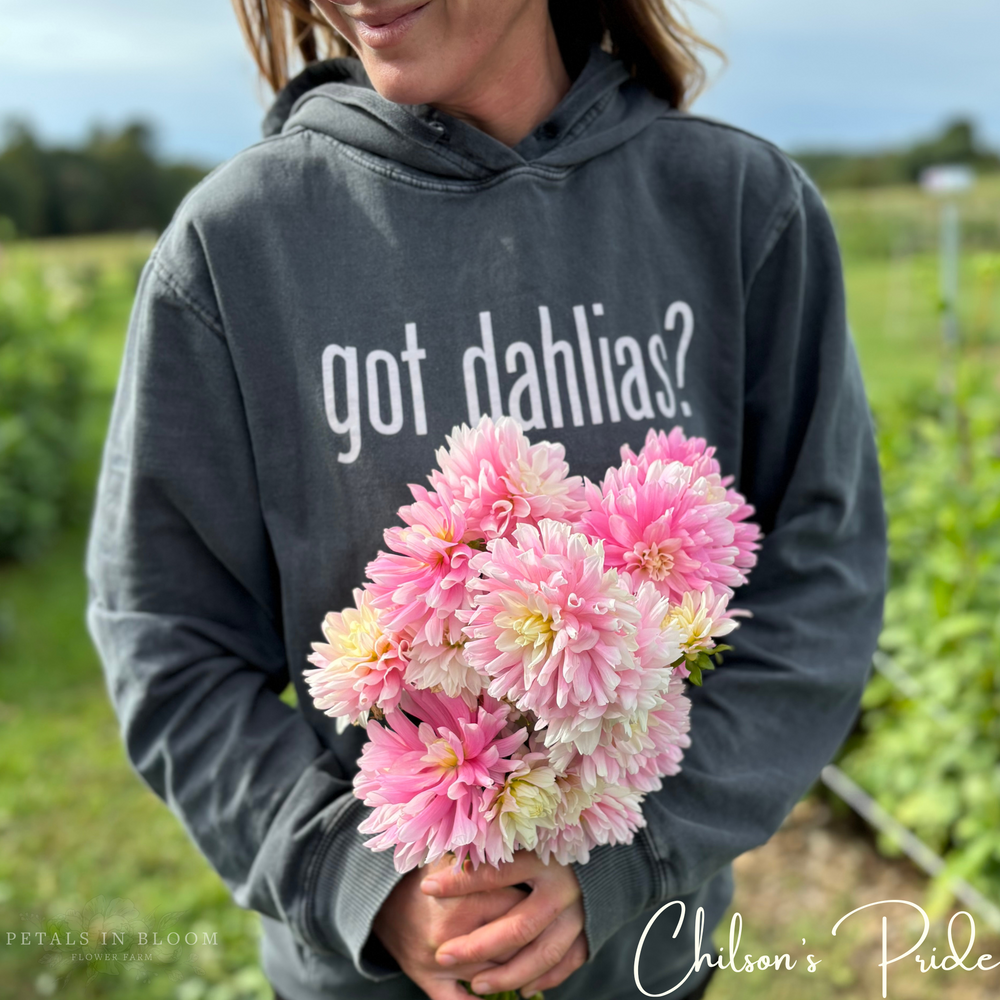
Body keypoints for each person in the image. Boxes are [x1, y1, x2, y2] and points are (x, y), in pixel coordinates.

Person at [85, 2, 887, 999]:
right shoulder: (237, 246)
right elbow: (166, 629)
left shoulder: (735, 208)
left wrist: (636, 855)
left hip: (647, 964)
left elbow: (823, 578)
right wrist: (358, 874)